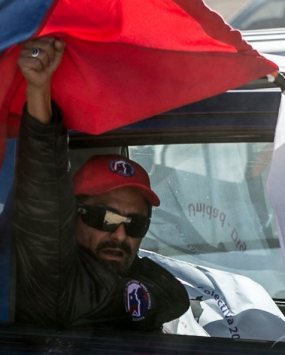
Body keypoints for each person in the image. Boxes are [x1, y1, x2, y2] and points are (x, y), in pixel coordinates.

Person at [12, 37, 189, 331]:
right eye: (106, 218)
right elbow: (42, 201)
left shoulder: (132, 278)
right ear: (72, 216)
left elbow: (175, 293)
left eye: (135, 225)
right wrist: (38, 89)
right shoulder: (53, 284)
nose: (120, 235)